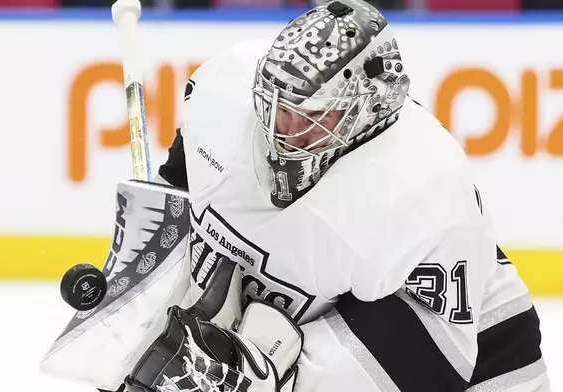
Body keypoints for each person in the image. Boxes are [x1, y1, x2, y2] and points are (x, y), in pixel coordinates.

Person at [141, 0, 551, 391]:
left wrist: (264, 376)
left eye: (314, 115)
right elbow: (174, 204)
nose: (285, 131)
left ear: (366, 108)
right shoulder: (224, 96)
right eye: (280, 108)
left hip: (485, 363)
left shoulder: (421, 189)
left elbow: (426, 366)